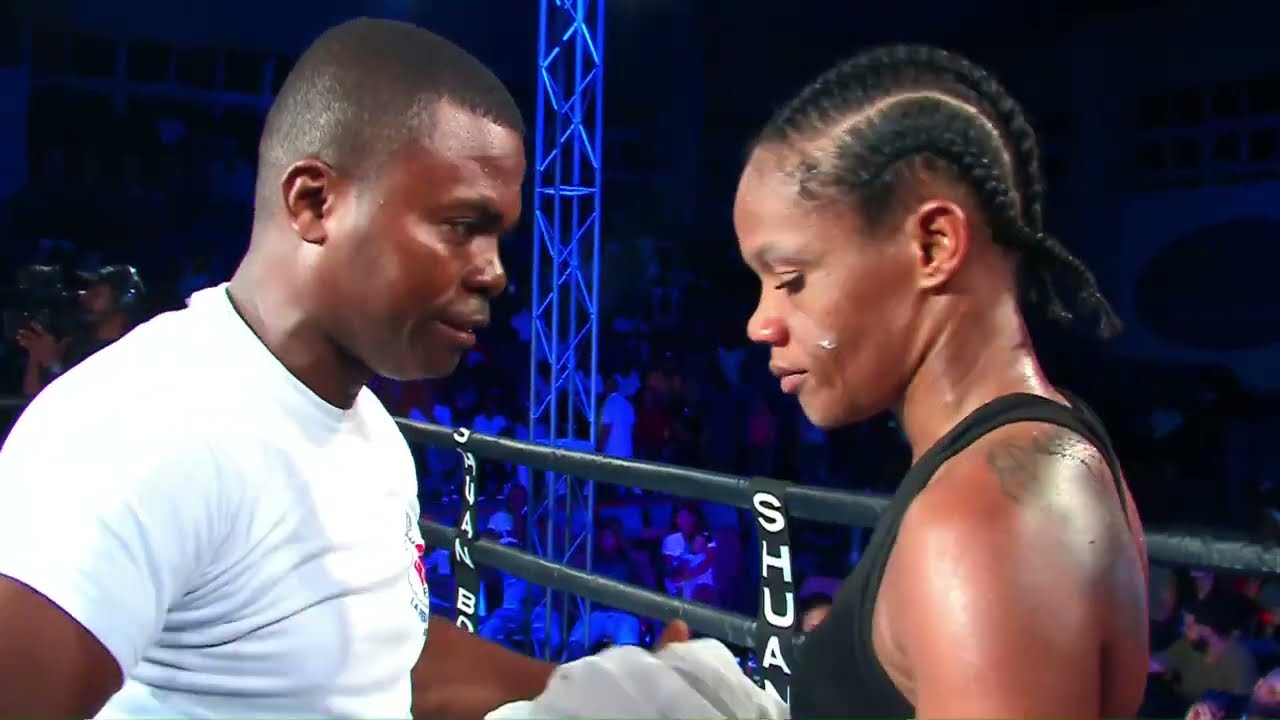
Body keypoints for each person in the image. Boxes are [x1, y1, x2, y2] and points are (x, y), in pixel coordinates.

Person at [0, 18, 703, 720]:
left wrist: (600, 693)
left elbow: (382, 664)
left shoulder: (372, 436)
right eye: (463, 226)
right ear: (315, 203)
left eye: (498, 237)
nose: (494, 272)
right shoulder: (140, 422)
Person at [733, 44, 1148, 717]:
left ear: (933, 246)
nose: (761, 323)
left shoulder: (986, 522)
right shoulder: (1024, 463)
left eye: (792, 279)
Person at [17, 264, 144, 396]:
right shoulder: (71, 344)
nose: (84, 298)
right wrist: (36, 354)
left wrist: (53, 363)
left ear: (124, 302)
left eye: (96, 295)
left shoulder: (131, 351)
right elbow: (32, 394)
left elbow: (94, 397)